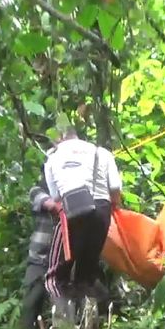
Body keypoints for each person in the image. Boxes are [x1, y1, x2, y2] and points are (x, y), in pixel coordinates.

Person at [44, 127, 121, 301]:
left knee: (57, 276)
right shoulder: (101, 152)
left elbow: (55, 196)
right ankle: (92, 319)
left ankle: (65, 320)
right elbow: (115, 188)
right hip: (102, 210)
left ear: (61, 137)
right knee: (87, 272)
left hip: (73, 211)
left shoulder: (52, 158)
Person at [19, 164, 58, 329]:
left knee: (62, 305)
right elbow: (51, 205)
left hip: (62, 259)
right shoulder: (38, 190)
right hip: (39, 258)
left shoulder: (69, 189)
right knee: (30, 304)